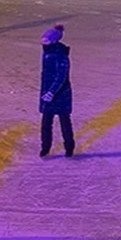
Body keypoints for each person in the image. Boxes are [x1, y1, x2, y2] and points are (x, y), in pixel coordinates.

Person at [39, 25, 75, 157]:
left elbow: (62, 75)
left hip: (60, 94)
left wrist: (51, 92)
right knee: (46, 123)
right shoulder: (47, 52)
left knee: (64, 121)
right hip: (47, 93)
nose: (43, 42)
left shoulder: (60, 54)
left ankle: (69, 147)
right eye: (43, 39)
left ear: (53, 41)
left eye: (46, 40)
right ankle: (45, 147)